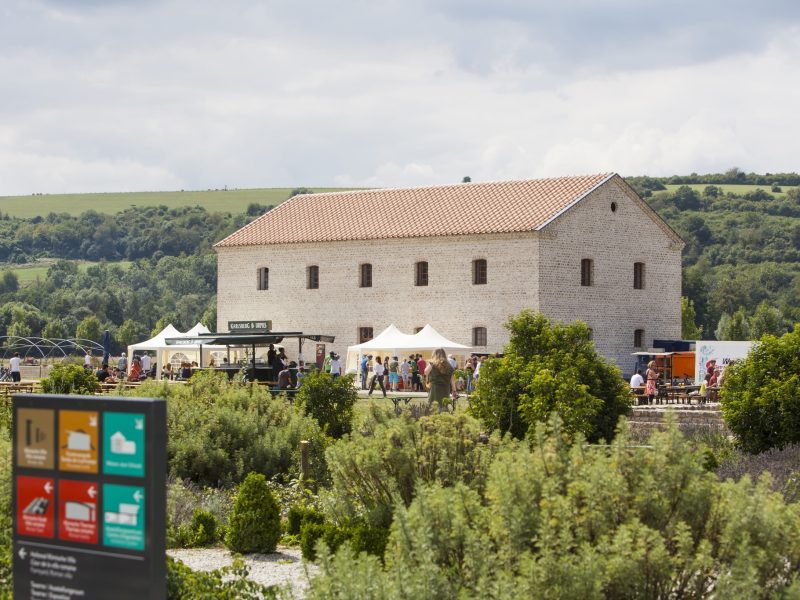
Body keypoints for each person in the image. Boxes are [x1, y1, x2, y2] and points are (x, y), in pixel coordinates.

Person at [425, 348, 456, 412]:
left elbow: (425, 372)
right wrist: (454, 390)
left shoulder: (432, 364)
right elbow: (452, 380)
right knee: (444, 406)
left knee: (433, 407)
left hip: (435, 389)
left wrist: (431, 363)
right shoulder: (449, 365)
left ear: (435, 354)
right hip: (445, 388)